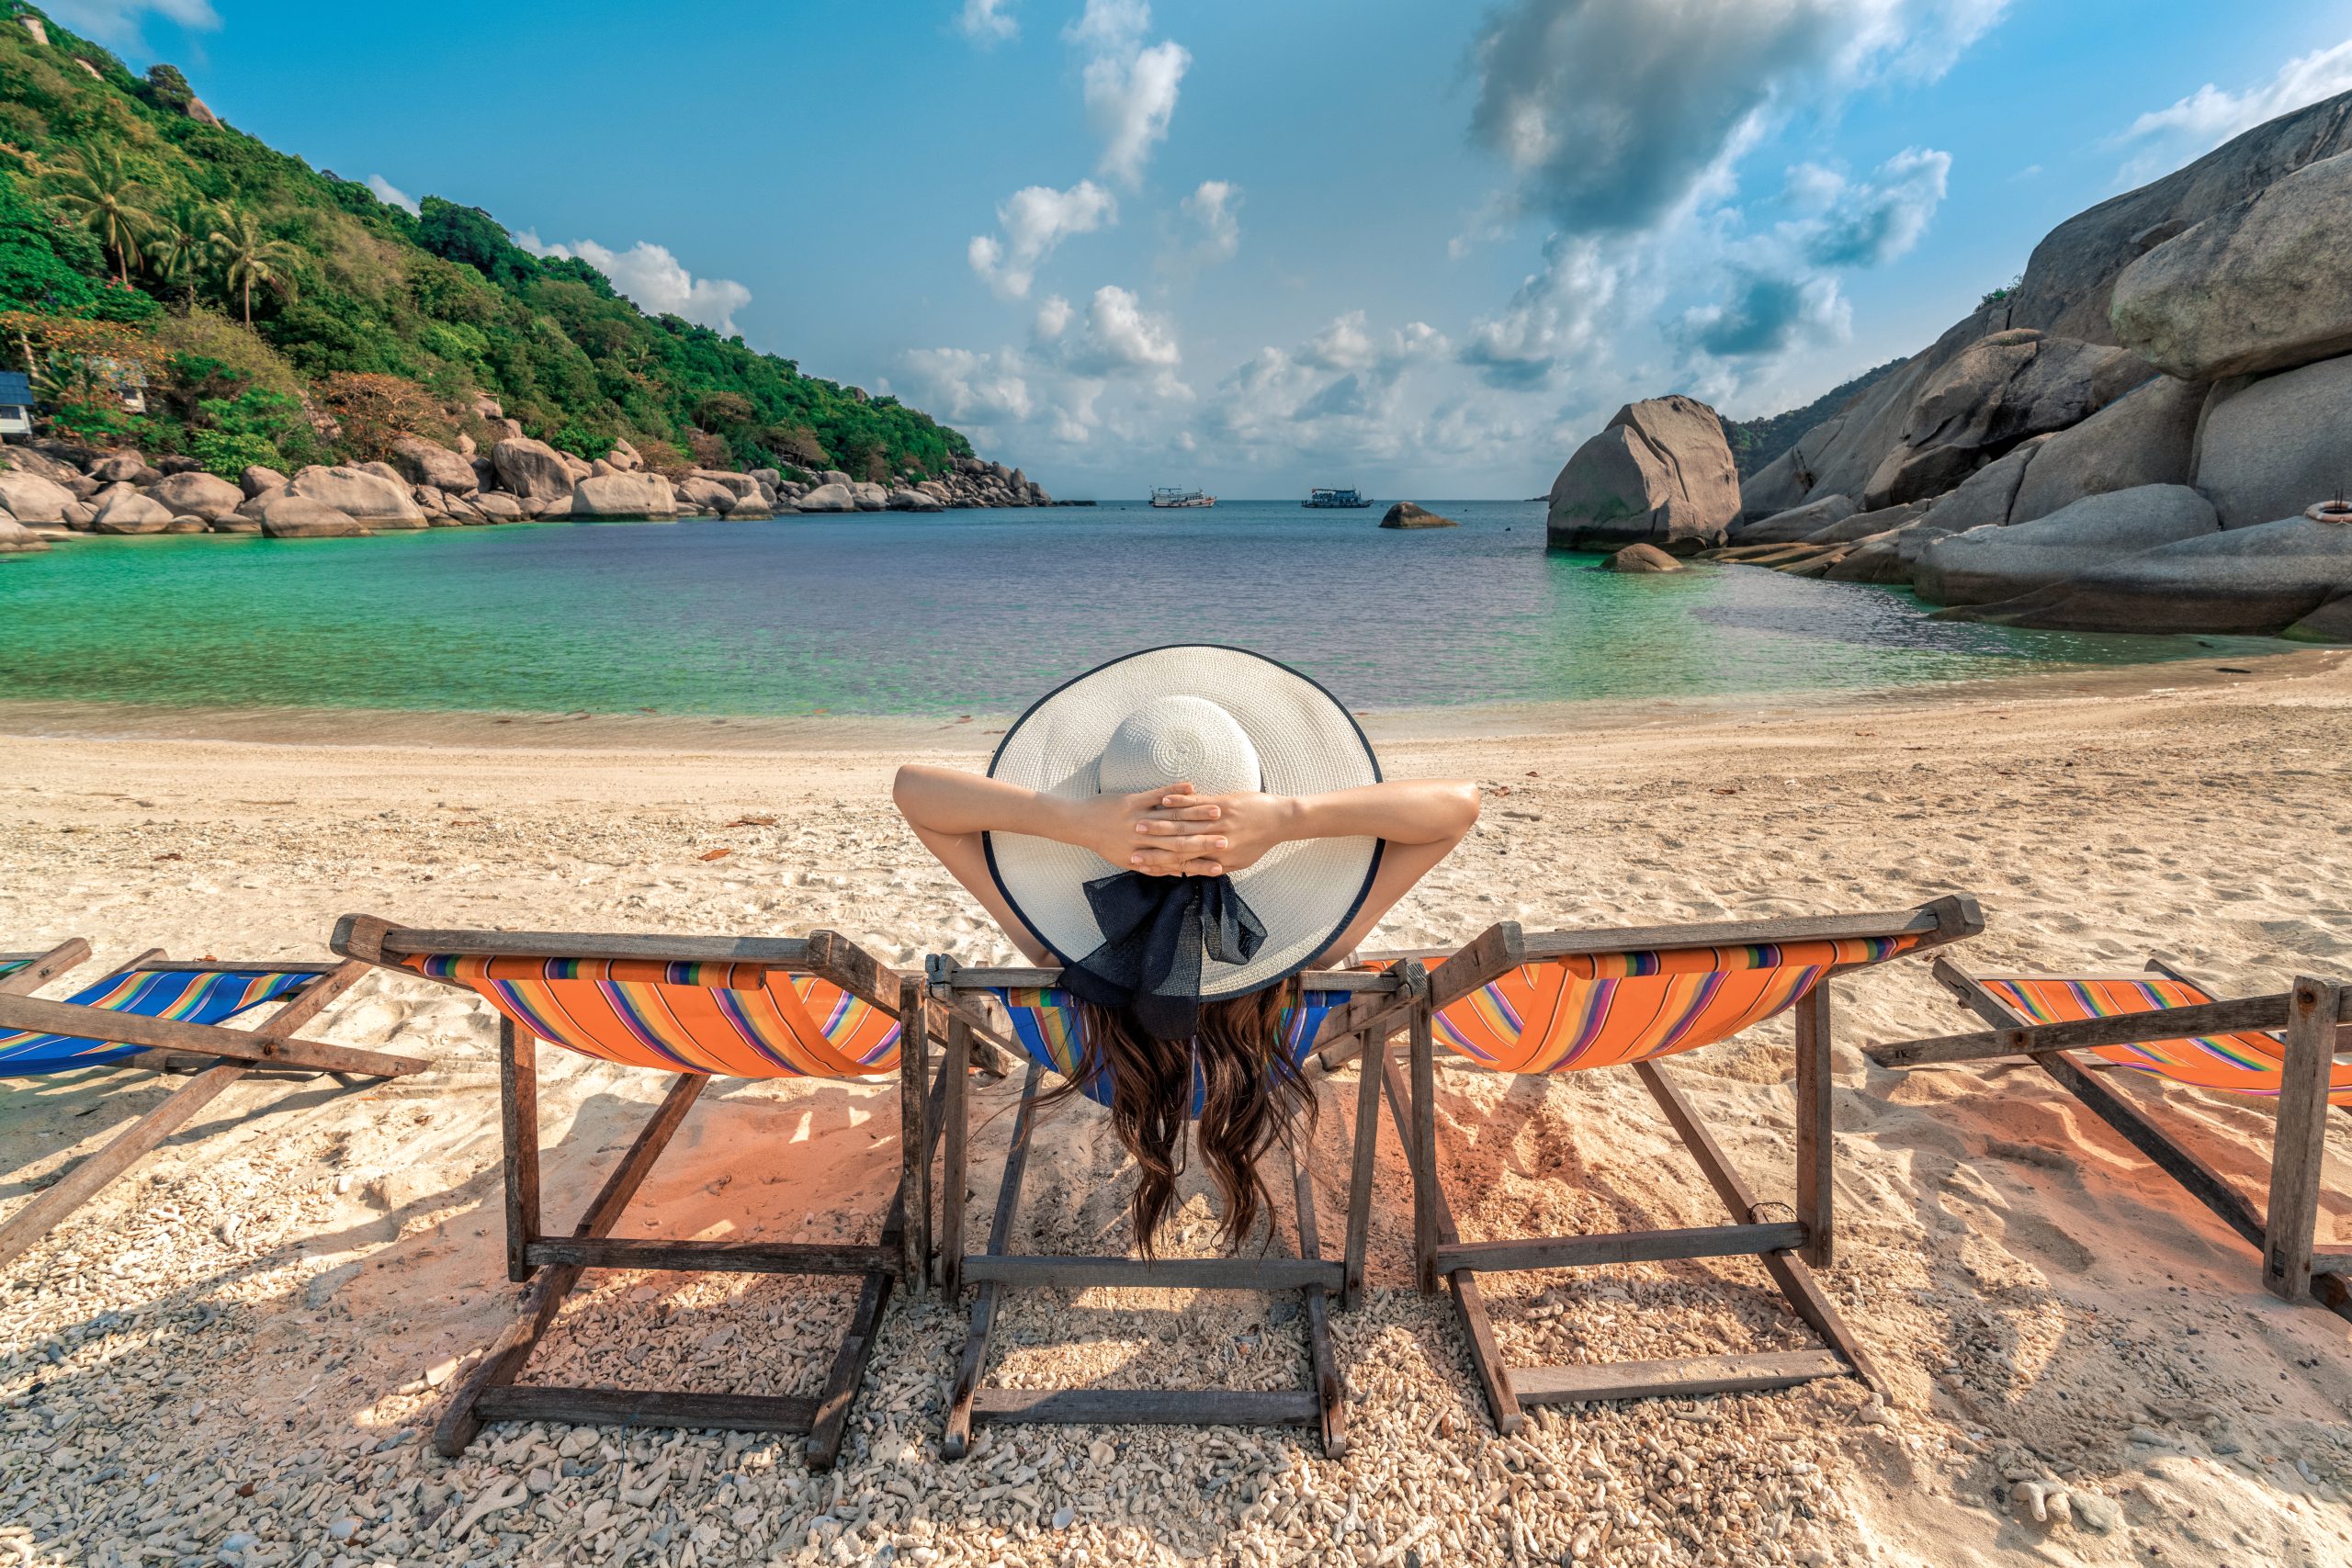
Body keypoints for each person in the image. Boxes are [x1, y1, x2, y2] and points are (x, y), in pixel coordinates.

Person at [893, 645, 1478, 1254]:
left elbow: (912, 789)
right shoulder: (1311, 947)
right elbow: (1459, 806)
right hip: (1257, 1068)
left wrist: (1074, 821)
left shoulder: (1054, 944)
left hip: (1112, 1078)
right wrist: (1288, 816)